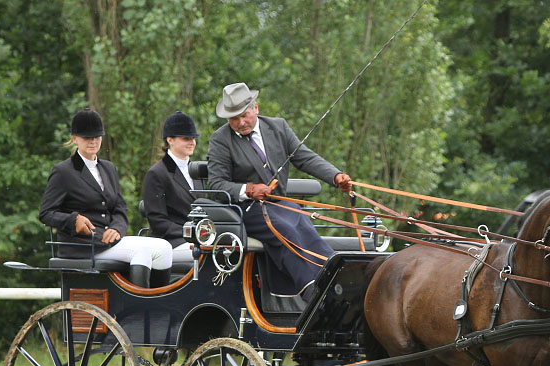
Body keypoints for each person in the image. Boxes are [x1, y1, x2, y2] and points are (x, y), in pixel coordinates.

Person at [207, 82, 352, 300]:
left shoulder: (278, 127)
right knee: (285, 229)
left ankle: (334, 277)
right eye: (234, 119)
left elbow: (305, 158)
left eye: (245, 116)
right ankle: (312, 290)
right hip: (246, 210)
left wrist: (335, 176)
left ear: (256, 108)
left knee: (303, 223)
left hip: (280, 204)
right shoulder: (220, 140)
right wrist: (248, 189)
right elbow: (215, 185)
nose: (241, 123)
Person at [39, 108, 173, 288]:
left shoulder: (108, 168)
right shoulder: (63, 172)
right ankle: (140, 310)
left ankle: (158, 306)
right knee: (142, 252)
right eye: (87, 137)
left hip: (108, 240)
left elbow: (119, 208)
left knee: (163, 248)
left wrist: (117, 228)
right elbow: (46, 213)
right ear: (74, 138)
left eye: (97, 136)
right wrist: (73, 219)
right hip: (83, 246)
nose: (93, 141)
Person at [142, 111, 204, 264]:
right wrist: (192, 233)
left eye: (193, 138)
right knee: (209, 255)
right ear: (170, 140)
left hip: (198, 239)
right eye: (186, 138)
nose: (192, 142)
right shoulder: (156, 173)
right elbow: (158, 222)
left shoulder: (197, 170)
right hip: (170, 242)